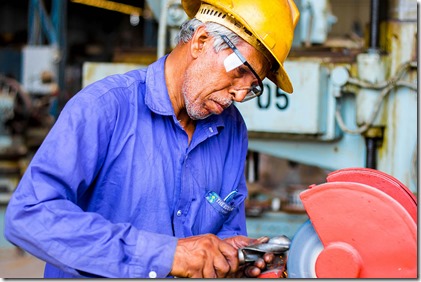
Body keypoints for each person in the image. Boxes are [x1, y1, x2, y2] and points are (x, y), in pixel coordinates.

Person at [4, 0, 299, 278]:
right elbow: (29, 216)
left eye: (253, 86)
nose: (240, 94)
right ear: (201, 41)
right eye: (240, 72)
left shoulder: (231, 130)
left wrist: (233, 259)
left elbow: (224, 232)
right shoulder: (104, 108)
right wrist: (168, 255)